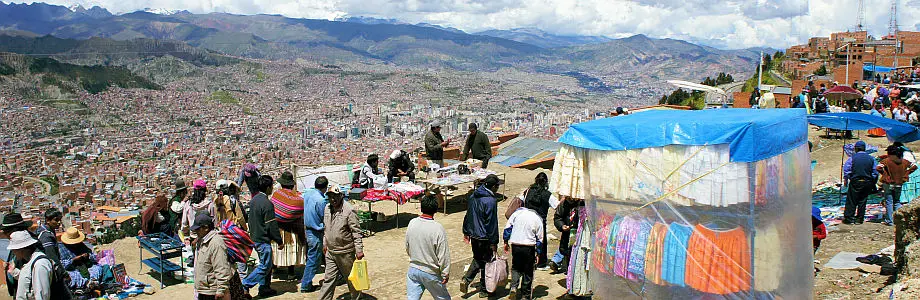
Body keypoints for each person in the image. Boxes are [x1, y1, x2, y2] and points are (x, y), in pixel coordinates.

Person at [318, 185, 365, 300]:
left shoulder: (349, 210)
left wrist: (359, 250)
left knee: (351, 279)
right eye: (330, 197)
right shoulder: (327, 208)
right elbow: (326, 228)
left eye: (335, 196)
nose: (333, 199)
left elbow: (356, 232)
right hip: (331, 252)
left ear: (341, 196)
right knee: (328, 279)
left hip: (345, 252)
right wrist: (325, 243)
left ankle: (357, 298)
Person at [242, 175, 283, 297]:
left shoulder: (254, 200)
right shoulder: (267, 203)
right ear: (268, 187)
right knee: (265, 266)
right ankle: (245, 284)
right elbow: (271, 225)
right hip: (262, 239)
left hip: (254, 237)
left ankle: (264, 288)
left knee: (267, 265)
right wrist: (279, 240)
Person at [460, 174, 501, 298]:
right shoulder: (491, 201)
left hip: (474, 234)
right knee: (484, 261)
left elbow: (468, 215)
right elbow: (492, 222)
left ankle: (482, 287)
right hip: (484, 236)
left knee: (480, 259)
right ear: (493, 186)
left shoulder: (473, 196)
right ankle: (470, 280)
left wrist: (466, 231)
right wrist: (494, 242)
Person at [405, 195, 451, 300]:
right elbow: (443, 255)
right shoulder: (437, 228)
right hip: (431, 272)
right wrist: (445, 273)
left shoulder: (412, 223)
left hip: (414, 269)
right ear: (435, 209)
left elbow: (407, 246)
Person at [503, 195, 544, 300]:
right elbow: (540, 238)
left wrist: (505, 241)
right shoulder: (537, 218)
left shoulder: (516, 214)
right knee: (528, 270)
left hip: (516, 245)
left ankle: (513, 287)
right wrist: (539, 253)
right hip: (529, 247)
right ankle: (526, 294)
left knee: (516, 267)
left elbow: (508, 228)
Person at [270, 171, 306, 279]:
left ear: (281, 184)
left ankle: (274, 269)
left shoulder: (277, 194)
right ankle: (291, 273)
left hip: (279, 228)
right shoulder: (298, 196)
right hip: (293, 228)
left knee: (276, 249)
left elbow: (273, 208)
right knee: (291, 250)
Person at [191, 214, 234, 300]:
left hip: (211, 291)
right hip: (204, 289)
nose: (196, 232)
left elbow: (221, 268)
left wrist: (221, 290)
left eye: (198, 229)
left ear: (206, 228)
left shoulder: (216, 243)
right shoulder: (202, 240)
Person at [301, 176, 329, 293]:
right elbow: (324, 217)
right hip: (316, 231)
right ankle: (306, 285)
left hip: (307, 229)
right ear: (325, 188)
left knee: (316, 257)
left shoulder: (308, 194)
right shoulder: (321, 200)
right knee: (313, 259)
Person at [877, 145, 918, 226]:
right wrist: (906, 173)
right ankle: (898, 220)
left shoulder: (886, 161)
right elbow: (914, 166)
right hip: (899, 183)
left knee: (889, 202)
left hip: (888, 184)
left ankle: (890, 221)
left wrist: (885, 175)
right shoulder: (904, 161)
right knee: (897, 201)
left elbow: (878, 168)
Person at [1, 213, 39, 297]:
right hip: (19, 289)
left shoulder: (31, 246)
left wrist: (14, 272)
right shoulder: (16, 242)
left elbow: (32, 275)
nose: (5, 235)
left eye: (7, 231)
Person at [8, 231, 53, 300]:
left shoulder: (40, 264)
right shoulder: (31, 261)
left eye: (14, 250)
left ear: (21, 249)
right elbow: (28, 280)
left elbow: (42, 295)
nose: (13, 252)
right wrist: (14, 271)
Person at [843, 141, 878, 225]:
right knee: (862, 200)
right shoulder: (871, 158)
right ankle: (859, 218)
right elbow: (875, 172)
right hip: (867, 181)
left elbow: (847, 170)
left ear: (856, 148)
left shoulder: (852, 158)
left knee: (852, 200)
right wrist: (872, 181)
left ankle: (849, 218)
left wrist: (847, 179)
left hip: (855, 181)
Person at [521, 173, 551, 270]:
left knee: (529, 240)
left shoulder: (528, 190)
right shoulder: (547, 194)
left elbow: (521, 200)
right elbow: (557, 205)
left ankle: (528, 261)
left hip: (527, 219)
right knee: (541, 241)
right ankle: (541, 263)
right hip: (540, 221)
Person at [58, 227, 103, 291]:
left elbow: (93, 257)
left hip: (85, 267)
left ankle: (94, 281)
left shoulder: (81, 245)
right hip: (73, 269)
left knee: (97, 267)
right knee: (73, 275)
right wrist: (73, 260)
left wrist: (88, 256)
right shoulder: (61, 248)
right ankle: (87, 284)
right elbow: (61, 264)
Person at [549, 197, 584, 274]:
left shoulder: (583, 203)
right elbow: (558, 218)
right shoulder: (564, 204)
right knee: (568, 255)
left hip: (581, 236)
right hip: (567, 236)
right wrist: (562, 226)